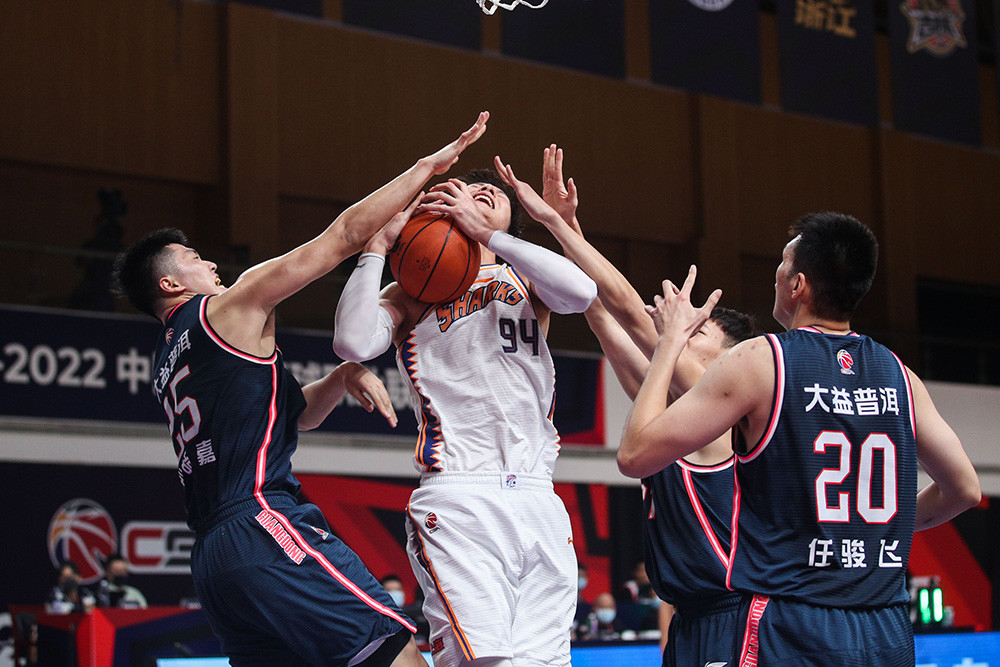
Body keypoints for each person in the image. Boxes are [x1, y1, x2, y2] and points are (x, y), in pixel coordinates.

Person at [110, 111, 493, 667]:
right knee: (396, 653)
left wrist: (339, 377)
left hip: (215, 560)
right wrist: (426, 168)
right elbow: (342, 236)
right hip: (263, 523)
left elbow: (291, 417)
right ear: (170, 284)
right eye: (194, 259)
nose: (210, 262)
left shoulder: (169, 361)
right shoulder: (227, 307)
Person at [619, 212, 982, 665]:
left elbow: (635, 454)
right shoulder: (901, 376)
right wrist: (870, 532)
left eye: (782, 264)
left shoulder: (763, 359)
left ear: (797, 285)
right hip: (885, 628)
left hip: (793, 622)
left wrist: (669, 342)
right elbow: (965, 490)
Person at [332, 154, 598, 665]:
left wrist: (489, 235)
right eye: (465, 192)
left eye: (490, 195)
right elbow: (352, 342)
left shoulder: (526, 274)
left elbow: (583, 293)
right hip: (461, 491)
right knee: (482, 660)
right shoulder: (411, 290)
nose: (480, 193)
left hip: (538, 491)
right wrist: (376, 249)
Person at [499, 145, 754, 666]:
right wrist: (569, 233)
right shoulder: (669, 408)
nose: (683, 329)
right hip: (689, 618)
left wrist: (555, 224)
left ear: (727, 362)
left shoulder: (723, 416)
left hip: (734, 615)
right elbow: (597, 307)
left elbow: (632, 313)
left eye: (698, 332)